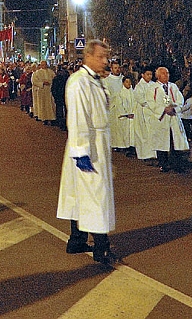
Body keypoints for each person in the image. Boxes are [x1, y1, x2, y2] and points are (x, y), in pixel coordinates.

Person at [56, 40, 118, 265]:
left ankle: (77, 239)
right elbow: (78, 118)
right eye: (101, 56)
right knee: (95, 195)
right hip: (87, 144)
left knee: (78, 193)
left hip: (96, 141)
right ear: (88, 57)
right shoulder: (78, 82)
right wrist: (81, 151)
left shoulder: (96, 81)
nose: (105, 61)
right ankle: (102, 247)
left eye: (106, 57)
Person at [149, 66, 190, 172]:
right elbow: (150, 103)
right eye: (163, 73)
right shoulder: (153, 88)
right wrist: (163, 109)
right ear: (158, 76)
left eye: (167, 73)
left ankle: (177, 164)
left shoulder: (173, 87)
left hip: (173, 117)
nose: (166, 75)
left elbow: (180, 100)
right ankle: (163, 163)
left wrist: (174, 108)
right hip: (162, 118)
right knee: (161, 141)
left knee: (175, 141)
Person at [133, 67, 157, 163]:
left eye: (151, 74)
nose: (149, 76)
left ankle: (154, 154)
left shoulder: (154, 85)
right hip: (143, 112)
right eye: (147, 74)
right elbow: (141, 100)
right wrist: (151, 105)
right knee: (143, 134)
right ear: (142, 75)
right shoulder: (139, 86)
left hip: (153, 112)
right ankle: (145, 154)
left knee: (152, 133)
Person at [112, 76, 136, 154]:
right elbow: (119, 105)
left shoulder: (134, 92)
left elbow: (136, 104)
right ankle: (124, 148)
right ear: (123, 83)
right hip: (124, 117)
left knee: (132, 134)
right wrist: (126, 114)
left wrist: (133, 112)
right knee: (124, 134)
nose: (128, 84)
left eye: (129, 82)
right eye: (126, 82)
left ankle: (131, 148)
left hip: (133, 116)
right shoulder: (120, 93)